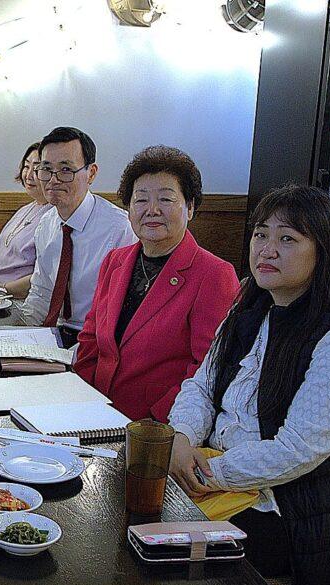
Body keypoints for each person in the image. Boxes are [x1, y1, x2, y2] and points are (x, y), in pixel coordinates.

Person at [168, 185, 330, 585]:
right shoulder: (252, 304)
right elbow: (201, 386)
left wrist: (210, 471)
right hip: (219, 476)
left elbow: (302, 448)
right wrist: (181, 440)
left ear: (324, 249)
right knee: (132, 506)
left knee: (167, 550)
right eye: (260, 234)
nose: (266, 249)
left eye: (288, 238)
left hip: (294, 509)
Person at [73, 146, 239, 421]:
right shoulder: (116, 261)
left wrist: (153, 423)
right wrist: (81, 400)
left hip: (155, 427)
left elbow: (207, 369)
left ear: (190, 208)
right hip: (94, 413)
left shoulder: (214, 274)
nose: (151, 210)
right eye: (140, 200)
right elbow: (90, 340)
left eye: (165, 199)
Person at [14, 127, 136, 347]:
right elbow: (41, 293)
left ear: (91, 173)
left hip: (96, 342)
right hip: (53, 335)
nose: (53, 179)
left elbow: (124, 313)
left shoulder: (120, 229)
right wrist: (19, 336)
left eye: (66, 169)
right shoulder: (47, 223)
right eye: (46, 169)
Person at [0, 141, 51, 298]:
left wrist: (0, 291)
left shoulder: (53, 217)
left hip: (9, 298)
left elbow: (42, 278)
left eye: (37, 169)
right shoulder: (26, 209)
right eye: (27, 166)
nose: (28, 175)